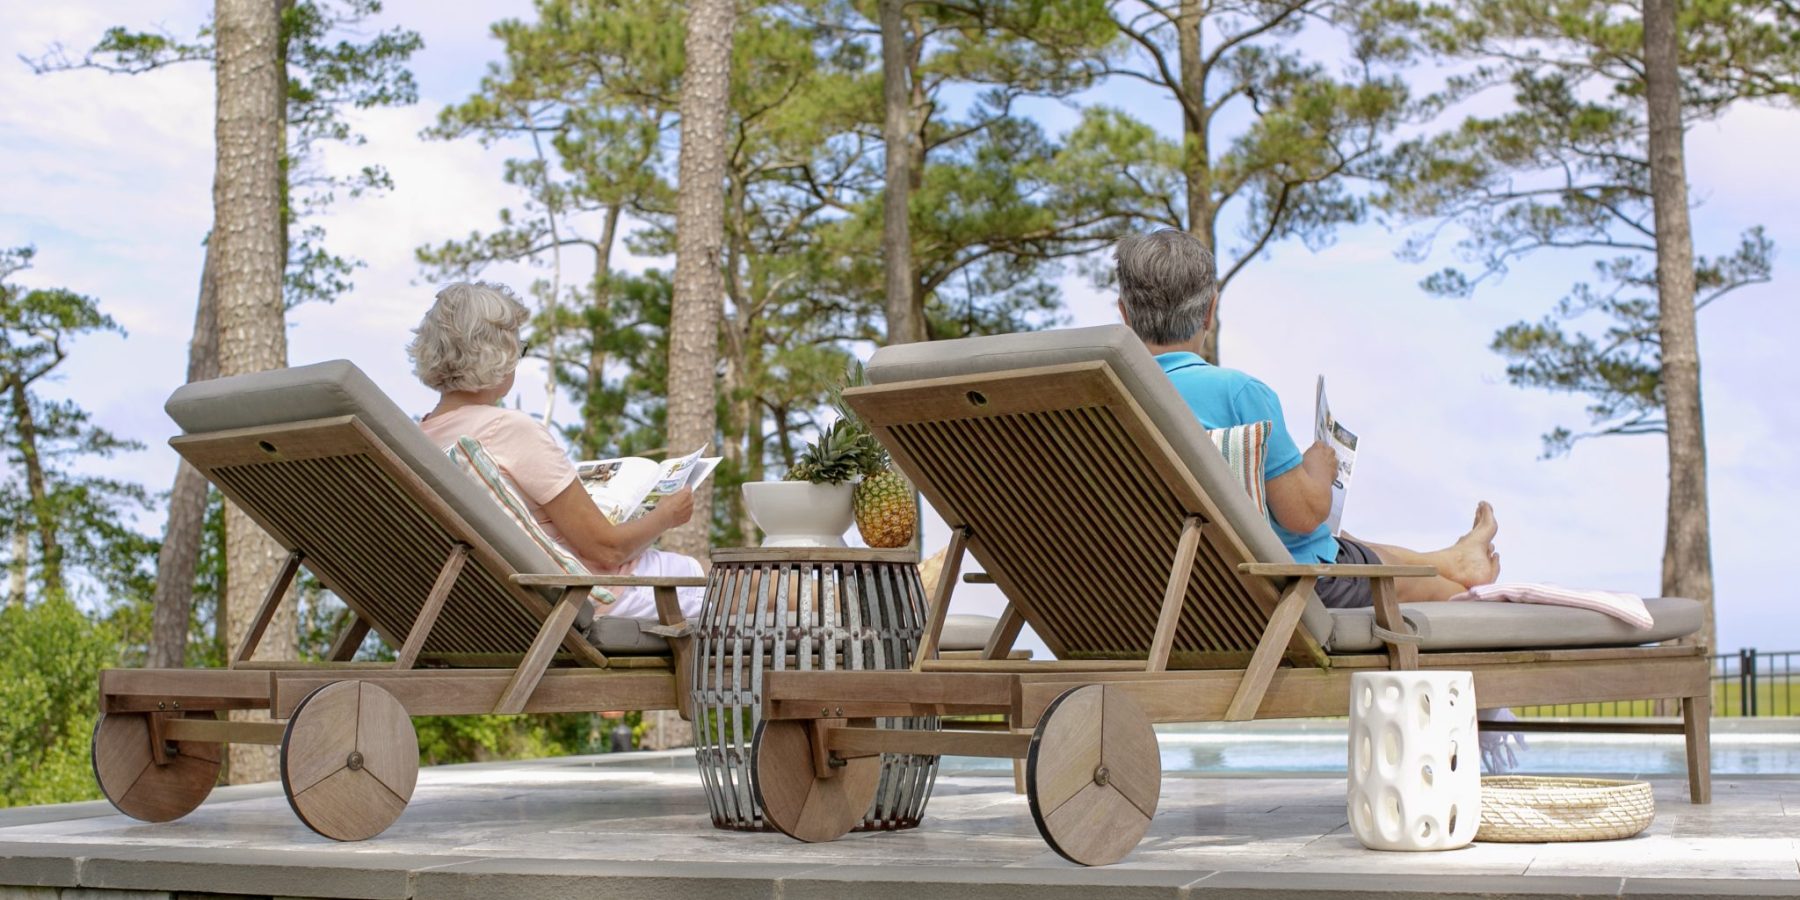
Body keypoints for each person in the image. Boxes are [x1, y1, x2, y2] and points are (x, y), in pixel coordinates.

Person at [1113, 229, 1500, 606]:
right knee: (1422, 588)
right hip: (1274, 594)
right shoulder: (1237, 394)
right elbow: (1302, 515)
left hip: (1152, 592)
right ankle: (1467, 587)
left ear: (1125, 314)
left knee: (1342, 545)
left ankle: (1456, 559)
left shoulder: (1110, 397)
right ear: (1210, 311)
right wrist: (1318, 469)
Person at [409, 281, 704, 620]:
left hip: (479, 607)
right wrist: (667, 515)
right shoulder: (508, 430)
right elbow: (608, 549)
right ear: (499, 355)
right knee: (755, 586)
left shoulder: (422, 439)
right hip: (589, 595)